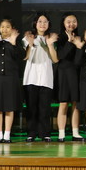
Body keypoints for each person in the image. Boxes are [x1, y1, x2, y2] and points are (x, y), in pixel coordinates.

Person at [23, 12, 59, 142]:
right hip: (31, 77)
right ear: (35, 23)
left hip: (45, 77)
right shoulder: (28, 37)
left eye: (45, 22)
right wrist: (30, 44)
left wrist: (49, 44)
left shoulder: (51, 38)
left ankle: (45, 133)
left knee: (45, 107)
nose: (42, 24)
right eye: (40, 21)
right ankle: (31, 133)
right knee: (31, 107)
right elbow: (25, 57)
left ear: (49, 24)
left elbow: (55, 59)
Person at [55, 13, 82, 142]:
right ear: (64, 24)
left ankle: (75, 132)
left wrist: (78, 46)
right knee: (63, 103)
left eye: (74, 21)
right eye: (68, 21)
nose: (72, 24)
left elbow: (78, 61)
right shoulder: (60, 38)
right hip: (63, 72)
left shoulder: (79, 38)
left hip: (75, 73)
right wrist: (70, 43)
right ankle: (61, 133)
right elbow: (60, 56)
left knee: (75, 103)